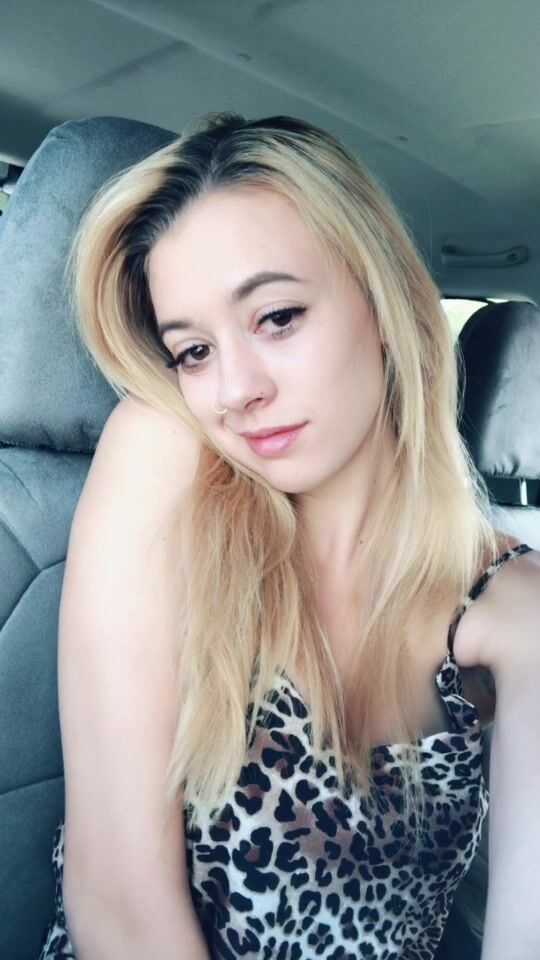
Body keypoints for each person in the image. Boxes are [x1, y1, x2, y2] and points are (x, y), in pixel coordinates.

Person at [38, 113, 539, 960]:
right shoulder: (165, 459)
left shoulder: (514, 607)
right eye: (193, 351)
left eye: (276, 317)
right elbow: (116, 901)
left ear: (383, 303)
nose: (235, 390)